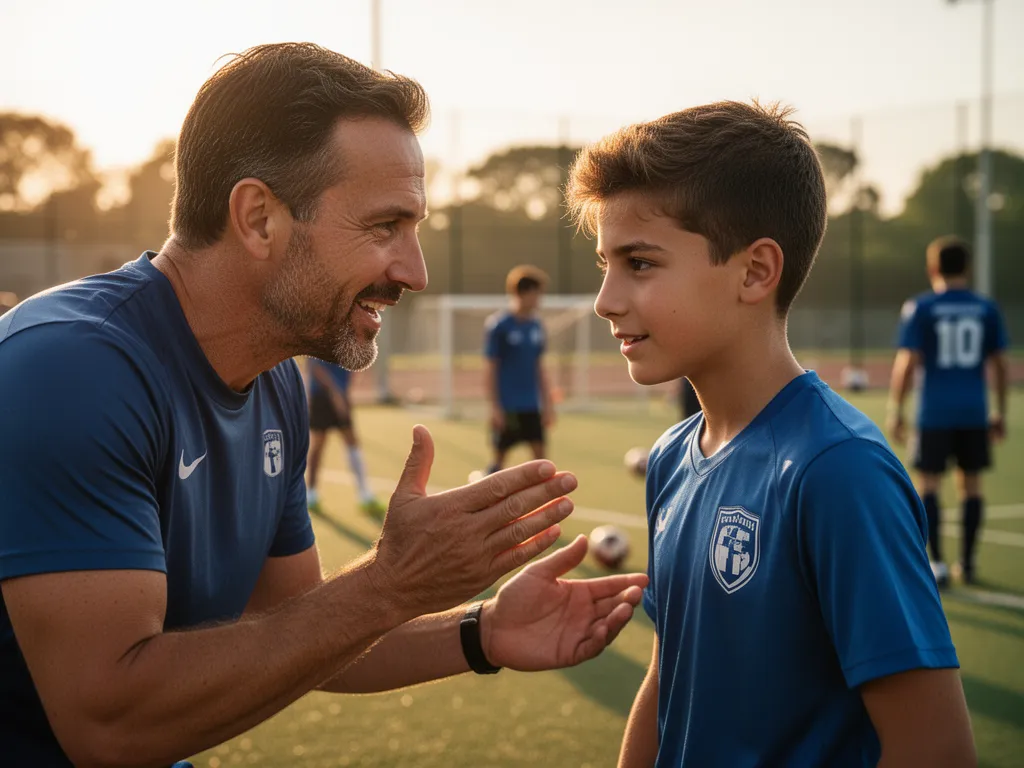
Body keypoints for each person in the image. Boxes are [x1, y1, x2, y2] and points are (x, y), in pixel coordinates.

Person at [0, 43, 648, 767]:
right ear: (258, 218)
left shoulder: (277, 382)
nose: (415, 271)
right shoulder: (71, 369)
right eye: (384, 227)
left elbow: (300, 629)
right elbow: (109, 726)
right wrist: (392, 583)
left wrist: (481, 631)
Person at [566, 101, 975, 766]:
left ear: (756, 271)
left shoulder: (836, 470)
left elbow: (937, 749)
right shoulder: (672, 456)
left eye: (639, 263)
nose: (605, 299)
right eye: (604, 264)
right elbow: (669, 674)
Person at [888, 235, 1009, 587]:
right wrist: (999, 411)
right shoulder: (986, 308)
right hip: (973, 411)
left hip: (934, 413)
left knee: (929, 484)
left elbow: (907, 363)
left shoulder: (921, 307)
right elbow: (1001, 364)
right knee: (972, 486)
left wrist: (897, 408)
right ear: (967, 268)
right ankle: (967, 563)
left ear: (932, 269)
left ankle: (937, 562)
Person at [483, 265, 555, 474]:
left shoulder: (536, 326)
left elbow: (539, 367)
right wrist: (494, 407)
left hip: (531, 404)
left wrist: (548, 404)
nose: (539, 300)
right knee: (498, 461)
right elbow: (490, 368)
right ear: (521, 293)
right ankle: (484, 488)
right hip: (508, 406)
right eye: (536, 294)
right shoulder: (499, 326)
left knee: (542, 462)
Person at [304, 357, 387, 518]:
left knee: (352, 442)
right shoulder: (322, 341)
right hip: (322, 396)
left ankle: (365, 495)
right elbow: (314, 366)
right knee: (318, 445)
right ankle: (311, 495)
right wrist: (335, 393)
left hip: (340, 395)